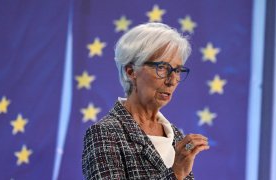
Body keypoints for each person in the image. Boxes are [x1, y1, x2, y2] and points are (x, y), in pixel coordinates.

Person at [82, 22, 209, 180]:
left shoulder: (176, 135)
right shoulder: (104, 133)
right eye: (162, 68)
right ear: (131, 71)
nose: (172, 80)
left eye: (177, 70)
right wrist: (175, 173)